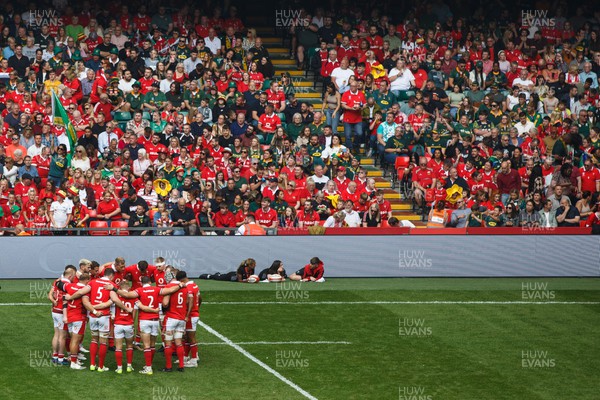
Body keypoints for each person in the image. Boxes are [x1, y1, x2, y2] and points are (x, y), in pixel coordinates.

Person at [113, 275, 185, 375]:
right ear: (150, 282)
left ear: (141, 283)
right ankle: (149, 365)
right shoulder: (156, 289)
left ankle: (148, 368)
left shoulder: (139, 290)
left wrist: (114, 288)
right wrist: (180, 286)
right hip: (155, 320)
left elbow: (127, 296)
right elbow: (169, 291)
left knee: (146, 345)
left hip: (144, 320)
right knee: (152, 345)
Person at [64, 268, 117, 372]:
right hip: (103, 316)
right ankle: (100, 366)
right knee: (102, 342)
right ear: (111, 276)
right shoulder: (112, 284)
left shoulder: (93, 282)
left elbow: (80, 292)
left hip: (93, 316)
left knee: (93, 340)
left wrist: (70, 298)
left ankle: (92, 364)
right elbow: (114, 299)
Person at [48, 265, 77, 366]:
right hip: (61, 312)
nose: (74, 278)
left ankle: (54, 356)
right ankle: (60, 358)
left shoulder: (57, 281)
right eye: (73, 276)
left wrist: (53, 302)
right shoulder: (67, 284)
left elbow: (50, 294)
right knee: (62, 336)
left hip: (55, 310)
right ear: (70, 275)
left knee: (56, 334)